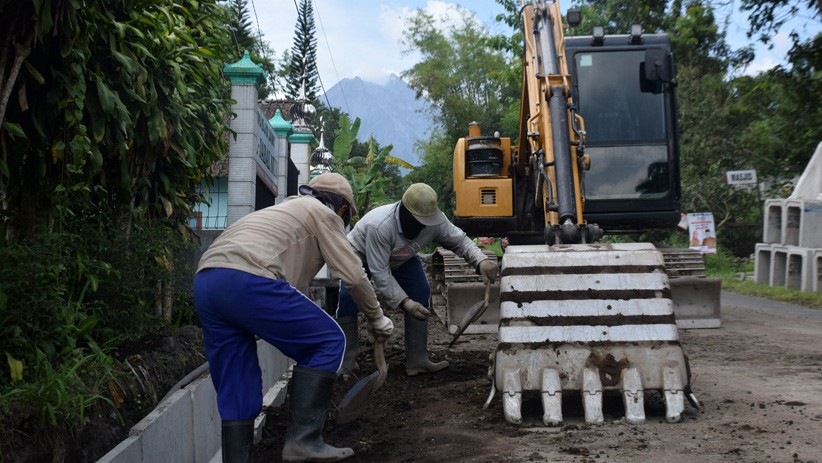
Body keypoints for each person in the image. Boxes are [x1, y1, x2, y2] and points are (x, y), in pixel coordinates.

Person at [194, 173, 393, 463]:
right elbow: (352, 275)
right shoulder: (322, 213)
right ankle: (304, 440)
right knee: (328, 339)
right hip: (248, 278)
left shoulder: (283, 211)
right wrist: (377, 318)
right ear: (341, 208)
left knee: (238, 380)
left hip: (207, 282)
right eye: (347, 215)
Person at [335, 183, 497, 377]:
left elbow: (460, 241)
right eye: (419, 220)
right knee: (348, 298)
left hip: (402, 255)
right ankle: (346, 363)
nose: (423, 225)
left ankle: (417, 360)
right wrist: (405, 303)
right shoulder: (380, 225)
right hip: (359, 254)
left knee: (420, 290)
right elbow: (380, 272)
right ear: (405, 211)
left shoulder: (436, 221)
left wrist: (481, 261)